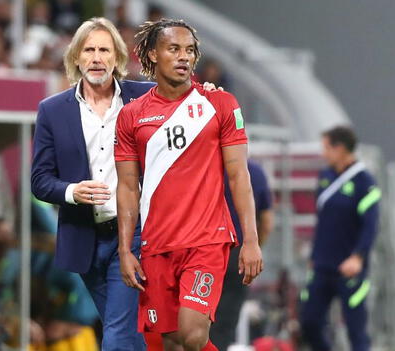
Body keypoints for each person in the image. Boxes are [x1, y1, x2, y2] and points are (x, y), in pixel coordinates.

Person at [115, 19, 263, 351]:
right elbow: (126, 187)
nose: (184, 57)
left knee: (193, 335)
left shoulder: (220, 104)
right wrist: (125, 249)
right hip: (157, 244)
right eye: (173, 49)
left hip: (206, 241)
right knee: (168, 344)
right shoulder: (131, 116)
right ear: (152, 54)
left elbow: (239, 175)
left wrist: (250, 240)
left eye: (190, 50)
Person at [31, 17, 154, 351]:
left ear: (117, 57)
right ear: (76, 58)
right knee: (130, 333)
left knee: (116, 335)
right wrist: (72, 191)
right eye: (89, 50)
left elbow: (187, 103)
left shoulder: (144, 99)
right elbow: (40, 181)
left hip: (133, 236)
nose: (97, 57)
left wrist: (210, 94)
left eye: (104, 49)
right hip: (84, 238)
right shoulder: (52, 110)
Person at [300, 126, 381, 351]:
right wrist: (314, 255)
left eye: (327, 148)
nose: (323, 153)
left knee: (356, 330)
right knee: (309, 322)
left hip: (350, 268)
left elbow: (371, 225)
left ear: (341, 148)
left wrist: (358, 257)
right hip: (322, 266)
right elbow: (323, 221)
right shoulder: (325, 176)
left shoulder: (365, 182)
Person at [211, 159, 273, 350]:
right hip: (237, 252)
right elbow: (266, 221)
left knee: (196, 318)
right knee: (225, 323)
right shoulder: (255, 172)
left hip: (204, 251)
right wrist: (253, 248)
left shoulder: (205, 167)